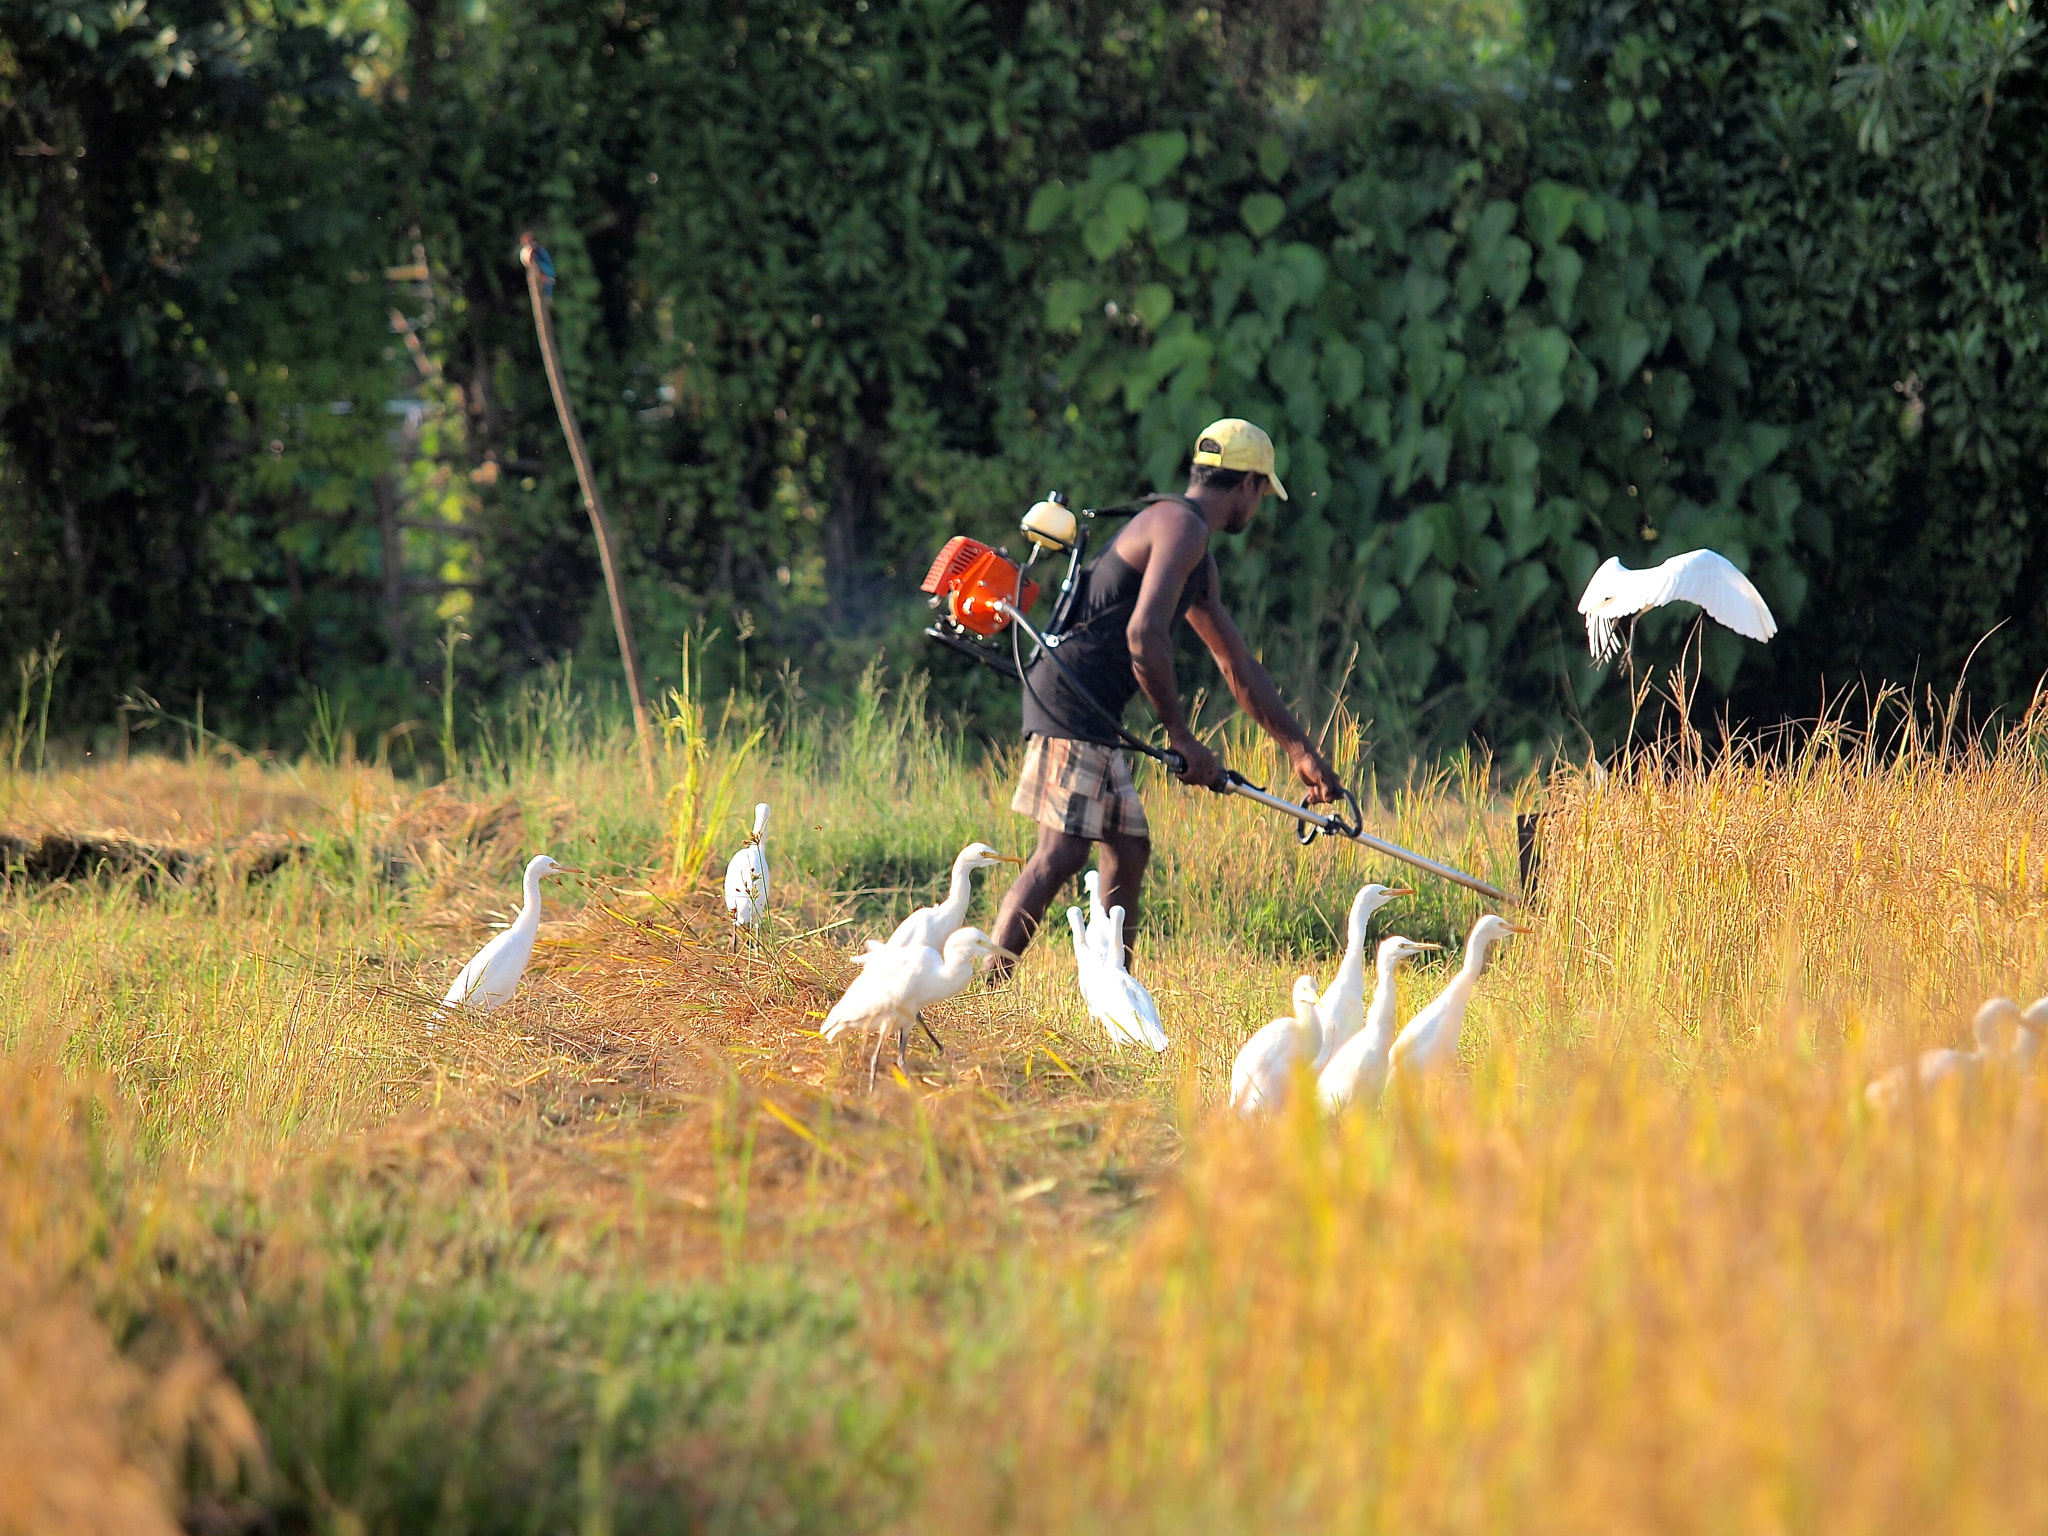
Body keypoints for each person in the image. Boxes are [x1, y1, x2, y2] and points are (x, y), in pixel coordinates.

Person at [990, 418, 1345, 976]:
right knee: (1059, 854)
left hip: (1094, 709)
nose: (1258, 508)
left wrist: (1299, 751)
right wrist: (1180, 733)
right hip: (1073, 698)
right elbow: (1143, 633)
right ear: (1248, 485)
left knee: (1127, 849)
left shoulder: (1186, 541)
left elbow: (1237, 665)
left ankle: (1119, 998)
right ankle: (981, 998)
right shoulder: (1183, 529)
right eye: (1261, 493)